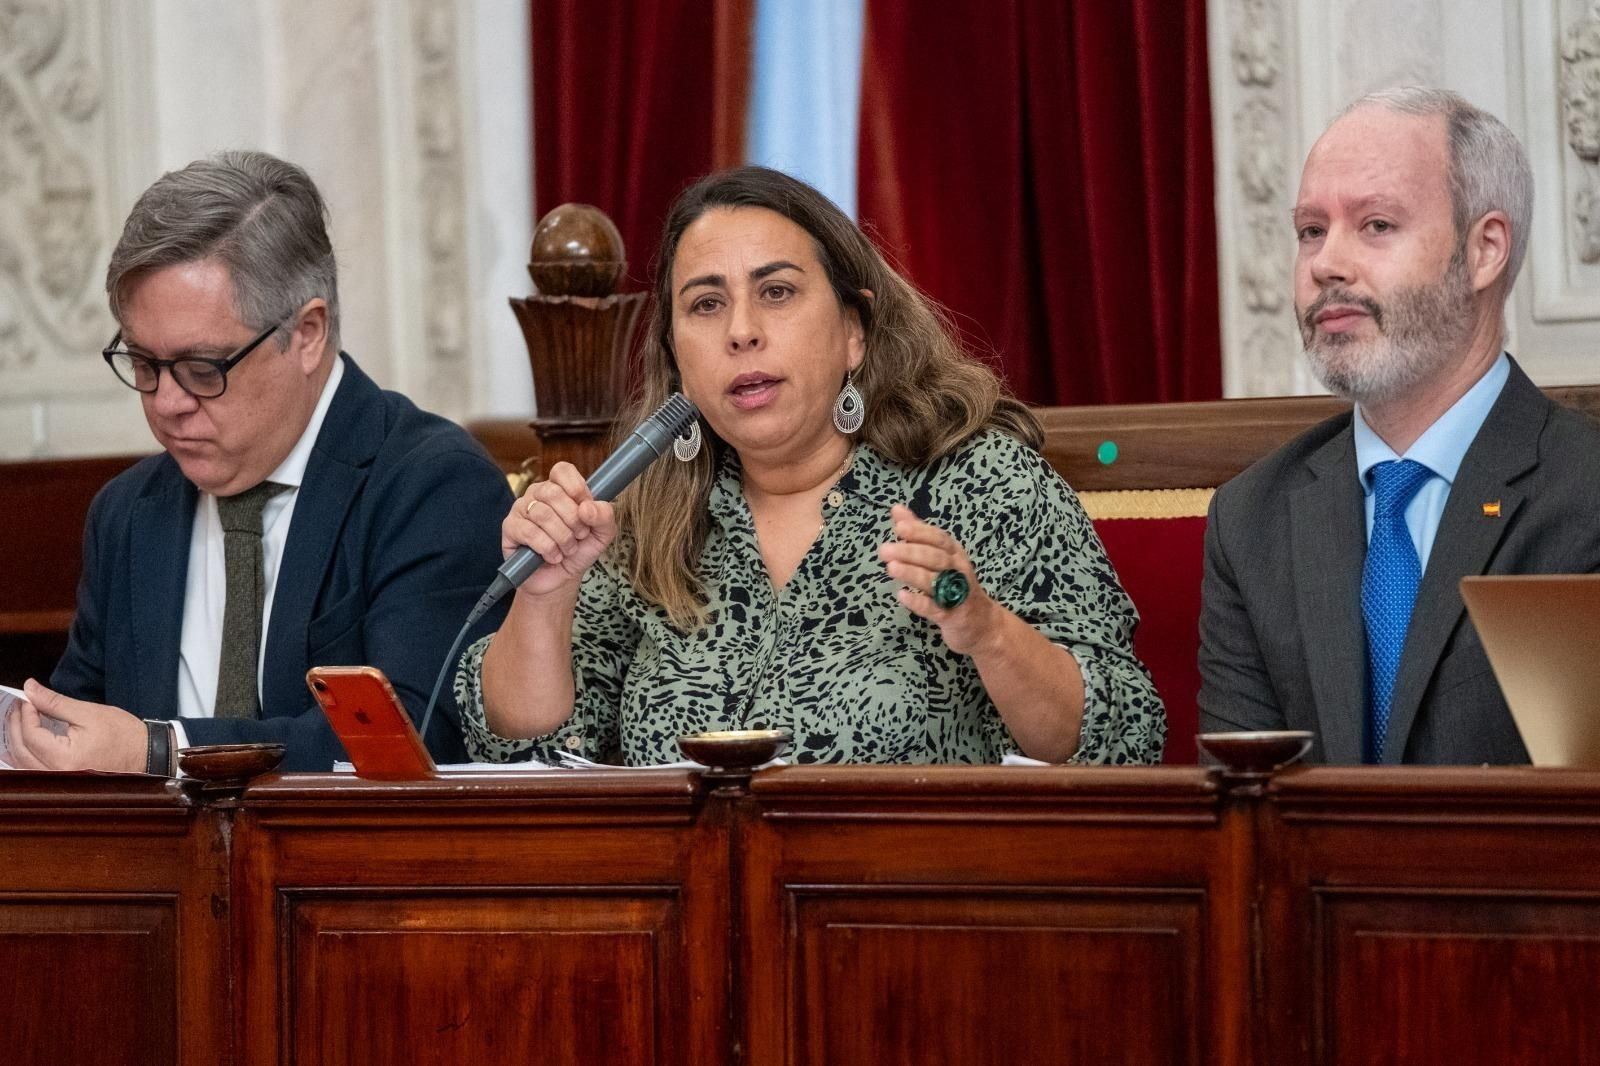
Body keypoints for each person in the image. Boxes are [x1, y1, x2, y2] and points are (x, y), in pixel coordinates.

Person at [454, 165, 1164, 766]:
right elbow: (523, 762)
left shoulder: (983, 483)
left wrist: (984, 629)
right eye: (706, 304)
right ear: (677, 361)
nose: (741, 331)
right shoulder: (641, 521)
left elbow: (1122, 739)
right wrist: (543, 603)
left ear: (854, 331)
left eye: (777, 292)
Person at [3, 151, 512, 773]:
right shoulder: (127, 513)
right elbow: (82, 725)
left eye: (202, 369)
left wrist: (160, 750)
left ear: (307, 334)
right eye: (142, 364)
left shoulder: (432, 486)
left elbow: (415, 739)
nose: (166, 404)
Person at [1199, 87, 1600, 764]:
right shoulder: (1252, 521)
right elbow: (1246, 815)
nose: (1327, 262)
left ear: (1485, 250)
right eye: (1311, 231)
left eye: (1377, 225)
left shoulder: (1585, 492)